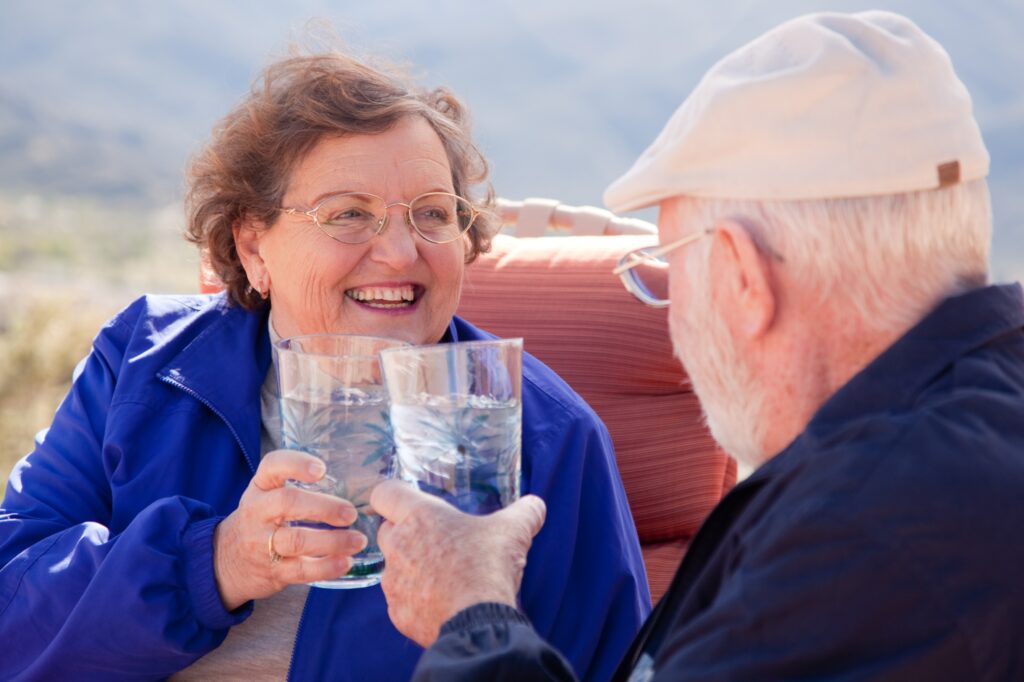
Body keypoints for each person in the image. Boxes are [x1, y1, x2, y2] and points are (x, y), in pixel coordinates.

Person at [370, 10, 1024, 681]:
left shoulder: (865, 536)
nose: (675, 322)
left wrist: (471, 615)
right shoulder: (967, 428)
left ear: (745, 277)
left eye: (672, 272)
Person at [0, 48, 650, 680]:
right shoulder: (143, 361)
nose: (400, 252)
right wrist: (216, 563)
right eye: (348, 215)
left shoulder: (545, 436)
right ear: (252, 245)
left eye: (431, 213)